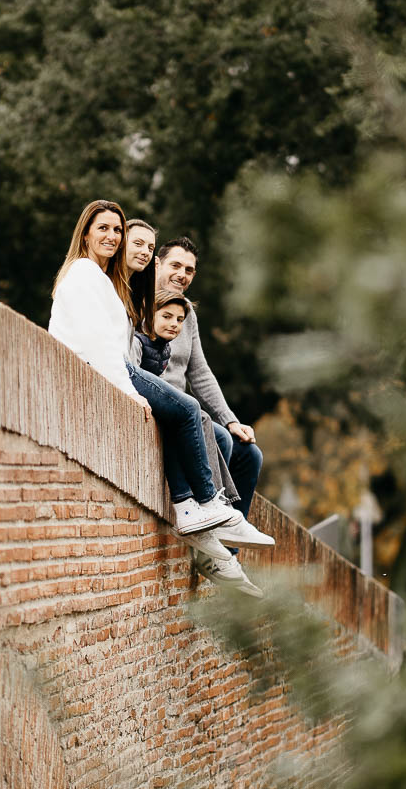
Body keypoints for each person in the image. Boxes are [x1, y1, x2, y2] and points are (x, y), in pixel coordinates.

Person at [48, 201, 264, 579]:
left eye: (118, 231)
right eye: (106, 230)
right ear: (85, 233)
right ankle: (203, 512)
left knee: (241, 447)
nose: (113, 238)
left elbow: (201, 370)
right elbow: (103, 345)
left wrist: (230, 419)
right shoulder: (97, 279)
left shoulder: (115, 284)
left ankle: (219, 544)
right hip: (110, 376)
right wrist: (132, 392)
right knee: (188, 412)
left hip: (119, 374)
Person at [155, 237, 264, 527]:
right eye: (175, 265)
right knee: (218, 438)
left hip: (187, 409)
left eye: (189, 270)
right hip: (168, 410)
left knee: (250, 454)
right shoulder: (141, 302)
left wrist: (230, 419)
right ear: (157, 264)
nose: (182, 274)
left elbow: (200, 372)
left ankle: (229, 546)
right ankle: (211, 524)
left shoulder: (187, 312)